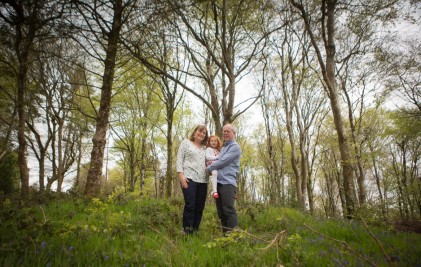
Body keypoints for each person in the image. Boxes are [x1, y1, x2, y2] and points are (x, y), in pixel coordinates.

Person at [207, 124, 241, 234]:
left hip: (228, 183)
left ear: (234, 134)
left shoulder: (235, 147)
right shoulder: (223, 148)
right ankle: (225, 238)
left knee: (228, 210)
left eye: (228, 131)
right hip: (219, 183)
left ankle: (233, 239)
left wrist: (208, 169)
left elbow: (223, 162)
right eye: (224, 131)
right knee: (221, 213)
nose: (225, 133)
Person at [176, 124, 209, 235]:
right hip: (189, 178)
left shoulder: (206, 149)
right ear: (194, 132)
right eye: (200, 131)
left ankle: (194, 231)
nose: (201, 134)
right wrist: (181, 176)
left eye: (204, 133)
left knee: (199, 207)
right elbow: (179, 159)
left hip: (203, 180)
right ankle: (186, 230)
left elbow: (212, 161)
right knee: (190, 204)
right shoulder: (186, 143)